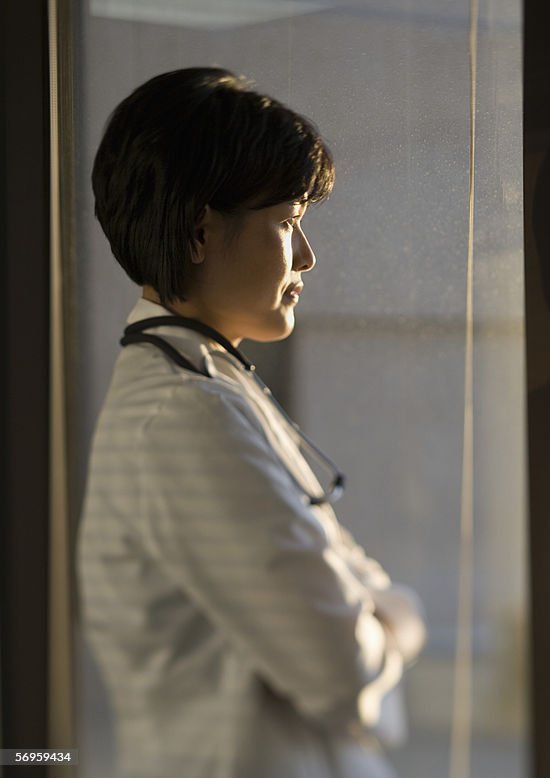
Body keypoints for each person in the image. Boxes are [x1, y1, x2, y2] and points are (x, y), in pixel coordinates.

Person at [77, 67, 426, 778]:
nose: (307, 257)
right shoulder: (184, 417)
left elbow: (340, 592)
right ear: (201, 231)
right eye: (288, 221)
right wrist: (402, 621)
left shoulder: (206, 386)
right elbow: (339, 670)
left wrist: (367, 608)